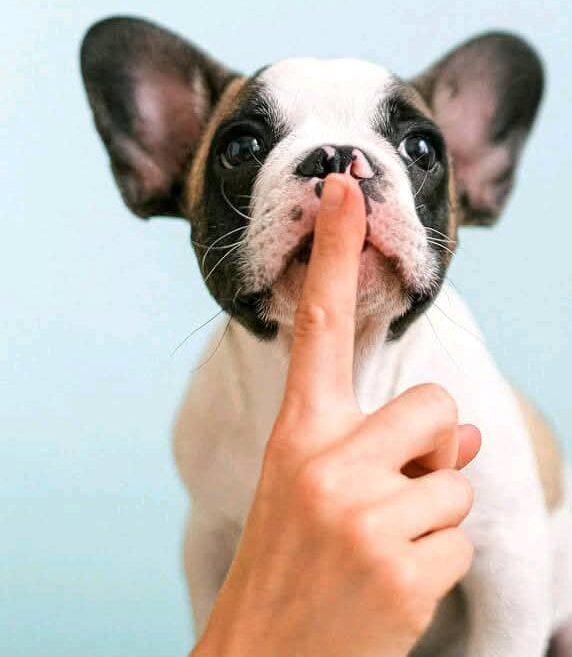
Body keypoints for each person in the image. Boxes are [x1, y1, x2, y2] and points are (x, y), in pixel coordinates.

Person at [191, 175, 482, 657]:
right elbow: (211, 543)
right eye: (243, 150)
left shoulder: (472, 385)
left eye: (418, 151)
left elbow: (518, 557)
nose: (341, 178)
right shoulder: (205, 426)